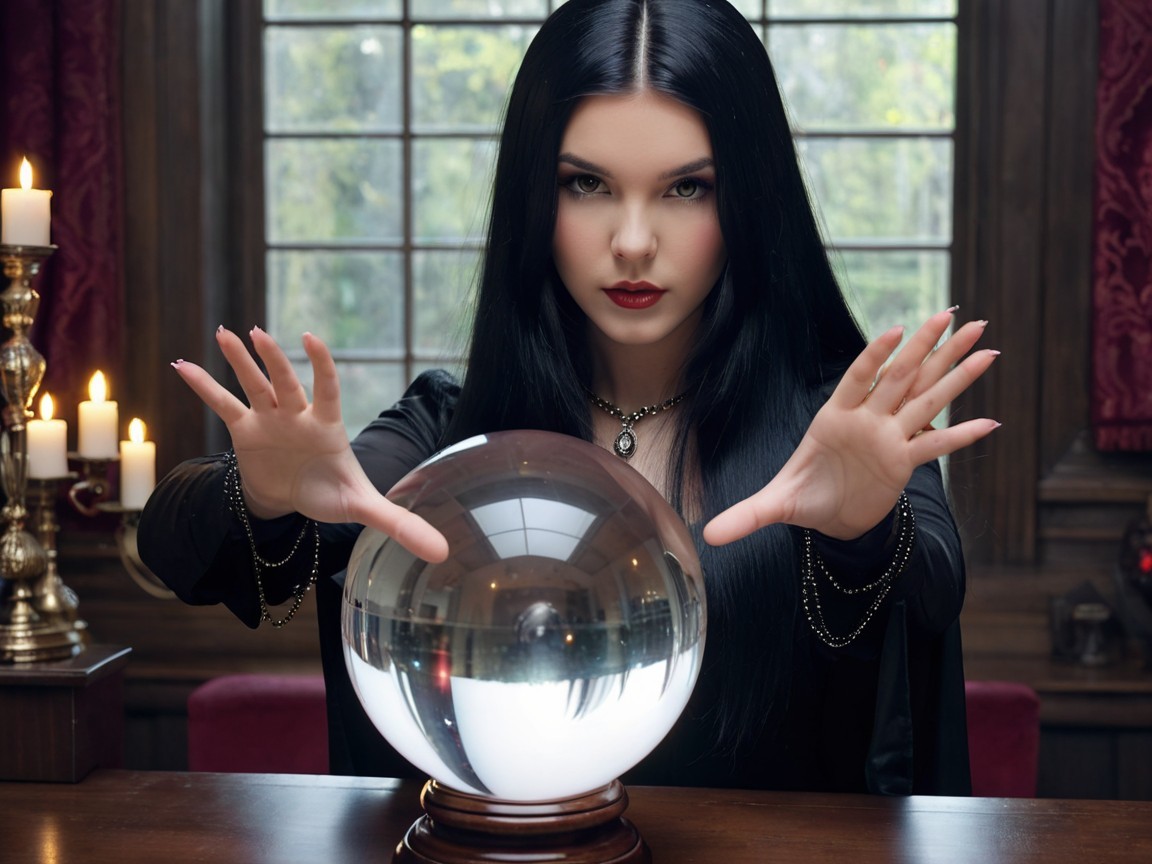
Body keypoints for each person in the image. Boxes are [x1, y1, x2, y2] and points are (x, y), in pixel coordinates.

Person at [139, 0, 998, 795]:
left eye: (685, 187)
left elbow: (933, 590)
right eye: (586, 185)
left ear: (750, 201)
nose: (632, 242)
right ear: (532, 195)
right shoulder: (447, 431)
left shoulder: (835, 439)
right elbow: (171, 547)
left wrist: (861, 536)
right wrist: (261, 496)